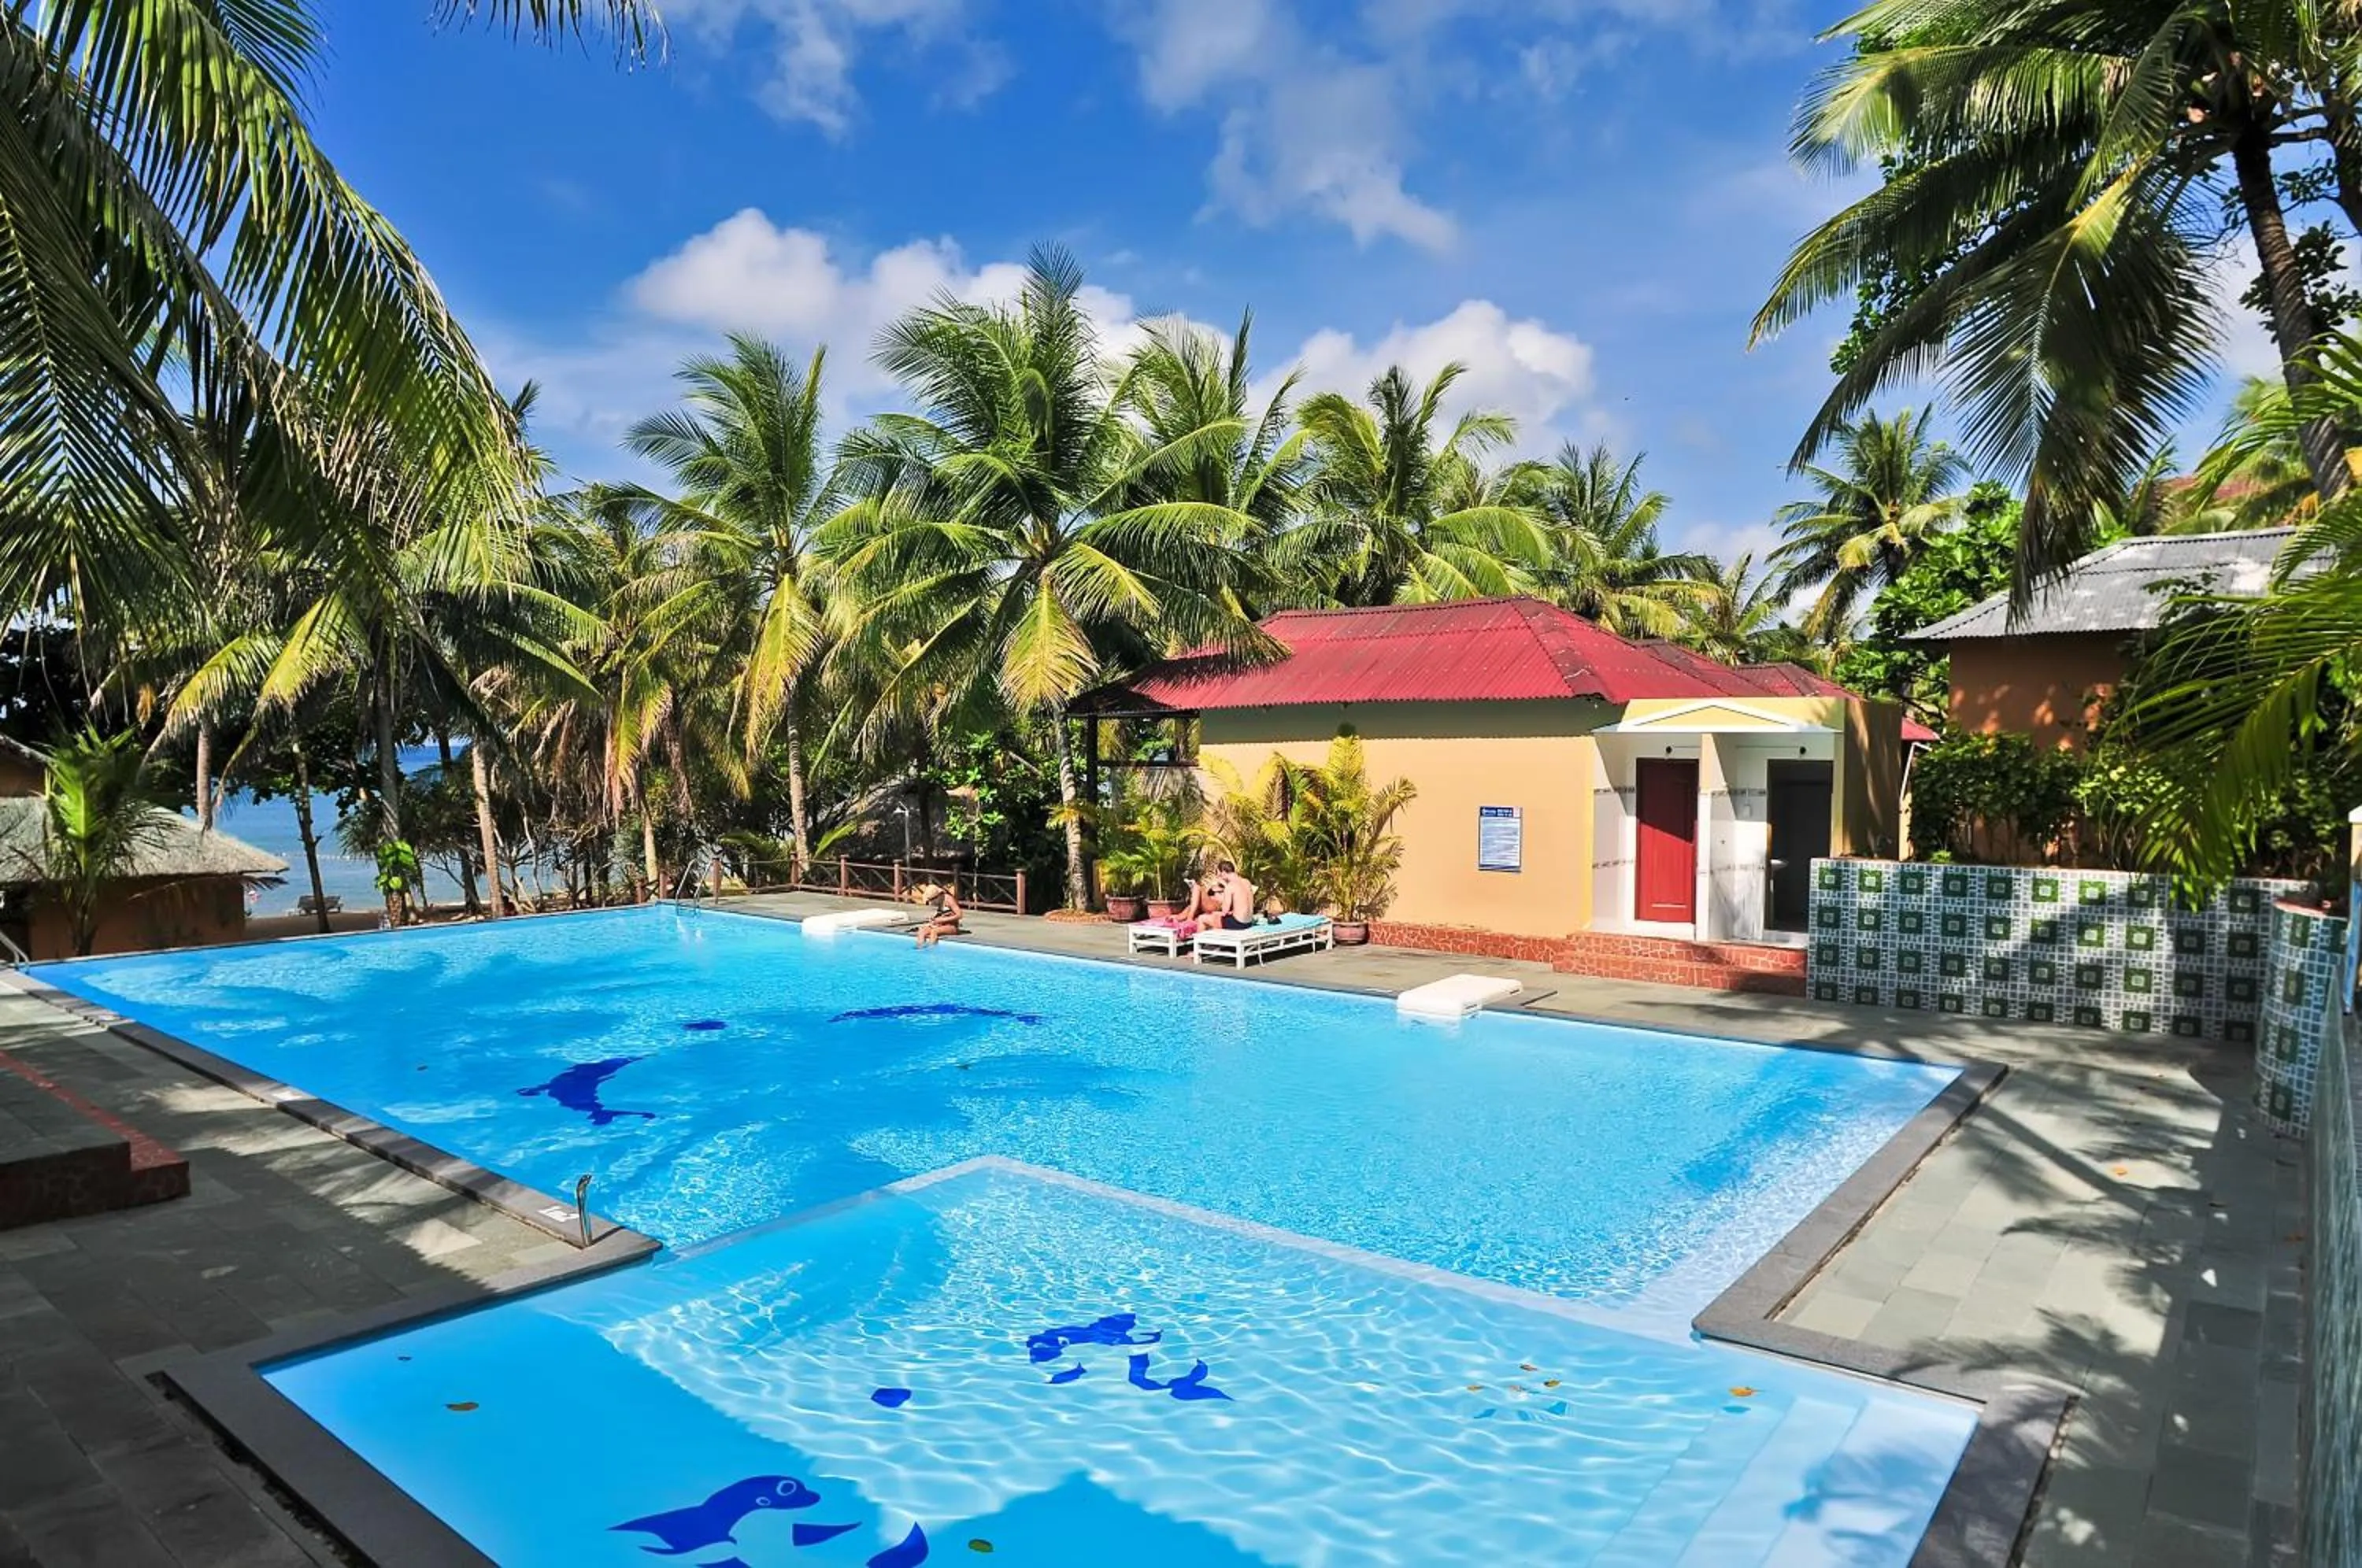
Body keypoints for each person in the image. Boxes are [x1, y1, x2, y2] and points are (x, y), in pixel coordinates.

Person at [1209, 860, 1257, 931]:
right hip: (1249, 922)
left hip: (1238, 924)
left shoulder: (1230, 886)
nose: (1219, 878)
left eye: (1220, 875)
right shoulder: (1247, 882)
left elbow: (1224, 912)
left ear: (1224, 873)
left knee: (1203, 918)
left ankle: (1202, 941)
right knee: (1217, 917)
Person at [913, 883, 964, 948]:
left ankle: (932, 950)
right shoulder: (940, 902)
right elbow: (943, 913)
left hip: (952, 926)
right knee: (922, 931)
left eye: (931, 900)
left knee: (934, 932)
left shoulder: (949, 900)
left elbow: (960, 915)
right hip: (941, 925)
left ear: (938, 896)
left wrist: (942, 920)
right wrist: (934, 918)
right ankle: (920, 949)